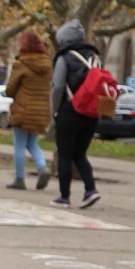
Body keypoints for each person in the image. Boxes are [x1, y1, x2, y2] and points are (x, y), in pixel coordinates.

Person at [49, 19, 103, 209]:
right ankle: (90, 189)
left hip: (69, 110)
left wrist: (54, 110)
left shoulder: (64, 58)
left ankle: (64, 196)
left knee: (65, 154)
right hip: (91, 112)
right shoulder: (95, 57)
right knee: (80, 154)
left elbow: (58, 87)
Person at [4, 31, 53, 190]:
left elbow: (10, 90)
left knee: (19, 144)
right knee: (32, 143)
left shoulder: (21, 64)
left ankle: (19, 179)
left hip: (23, 109)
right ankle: (42, 168)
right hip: (41, 110)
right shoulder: (48, 64)